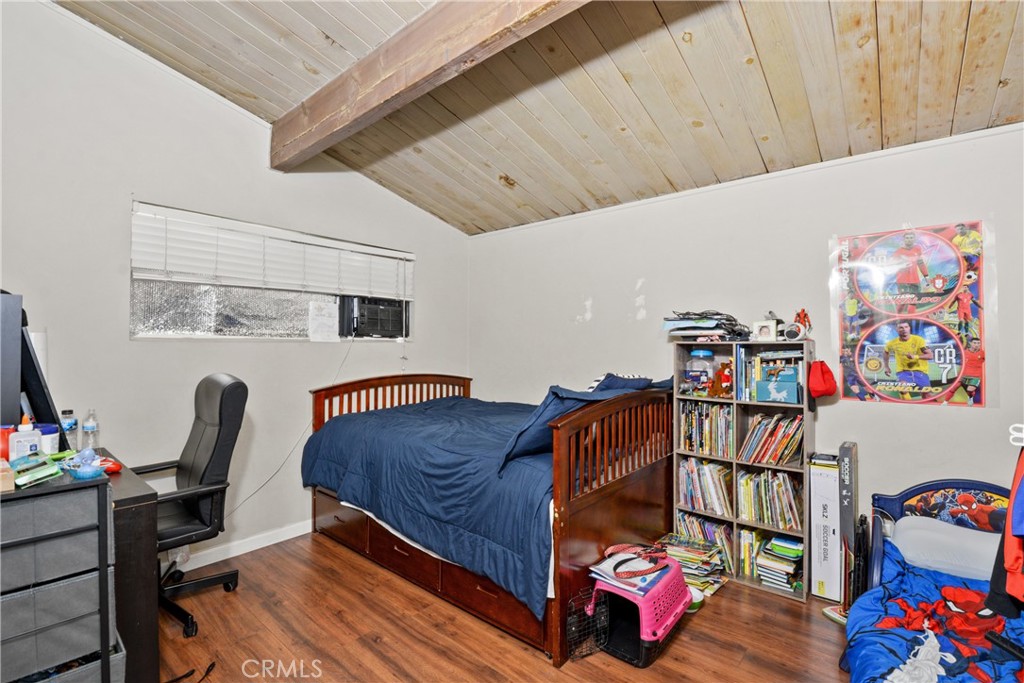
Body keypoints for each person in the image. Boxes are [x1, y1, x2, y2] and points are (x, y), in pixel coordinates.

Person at [883, 320, 933, 400]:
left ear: (909, 328)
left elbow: (930, 356)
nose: (904, 329)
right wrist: (886, 367)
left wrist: (915, 357)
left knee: (927, 395)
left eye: (906, 327)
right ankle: (908, 405)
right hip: (903, 372)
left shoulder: (919, 340)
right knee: (903, 389)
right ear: (897, 329)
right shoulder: (892, 343)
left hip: (920, 371)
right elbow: (886, 352)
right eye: (901, 328)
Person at [891, 230, 929, 313]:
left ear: (914, 239)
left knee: (913, 301)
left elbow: (920, 263)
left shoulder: (917, 249)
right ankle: (897, 317)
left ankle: (910, 319)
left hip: (915, 280)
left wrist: (926, 276)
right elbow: (892, 266)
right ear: (904, 239)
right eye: (907, 238)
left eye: (911, 238)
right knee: (903, 301)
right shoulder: (898, 252)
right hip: (902, 281)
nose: (909, 239)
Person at [959, 337, 985, 406]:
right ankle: (970, 396)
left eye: (978, 343)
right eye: (975, 343)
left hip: (976, 376)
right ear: (970, 343)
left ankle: (970, 398)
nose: (977, 345)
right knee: (960, 387)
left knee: (970, 389)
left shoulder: (983, 353)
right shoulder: (965, 352)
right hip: (965, 375)